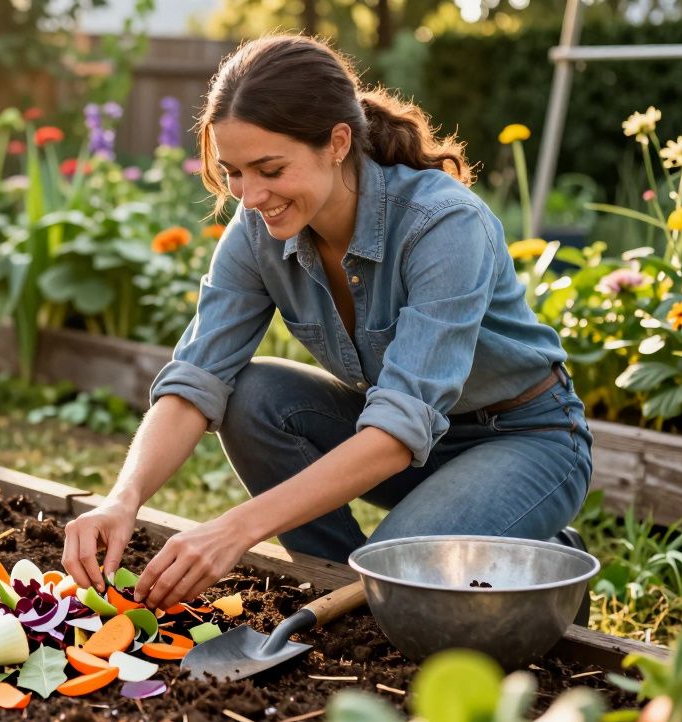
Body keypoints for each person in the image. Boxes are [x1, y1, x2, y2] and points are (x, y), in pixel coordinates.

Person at [61, 34, 593, 612]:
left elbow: (396, 433)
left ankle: (533, 559)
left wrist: (236, 529)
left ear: (338, 142)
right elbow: (197, 375)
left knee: (396, 579)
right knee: (254, 394)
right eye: (234, 171)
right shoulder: (256, 226)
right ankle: (338, 590)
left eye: (269, 168)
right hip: (402, 442)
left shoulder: (443, 224)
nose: (252, 195)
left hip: (523, 439)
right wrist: (122, 498)